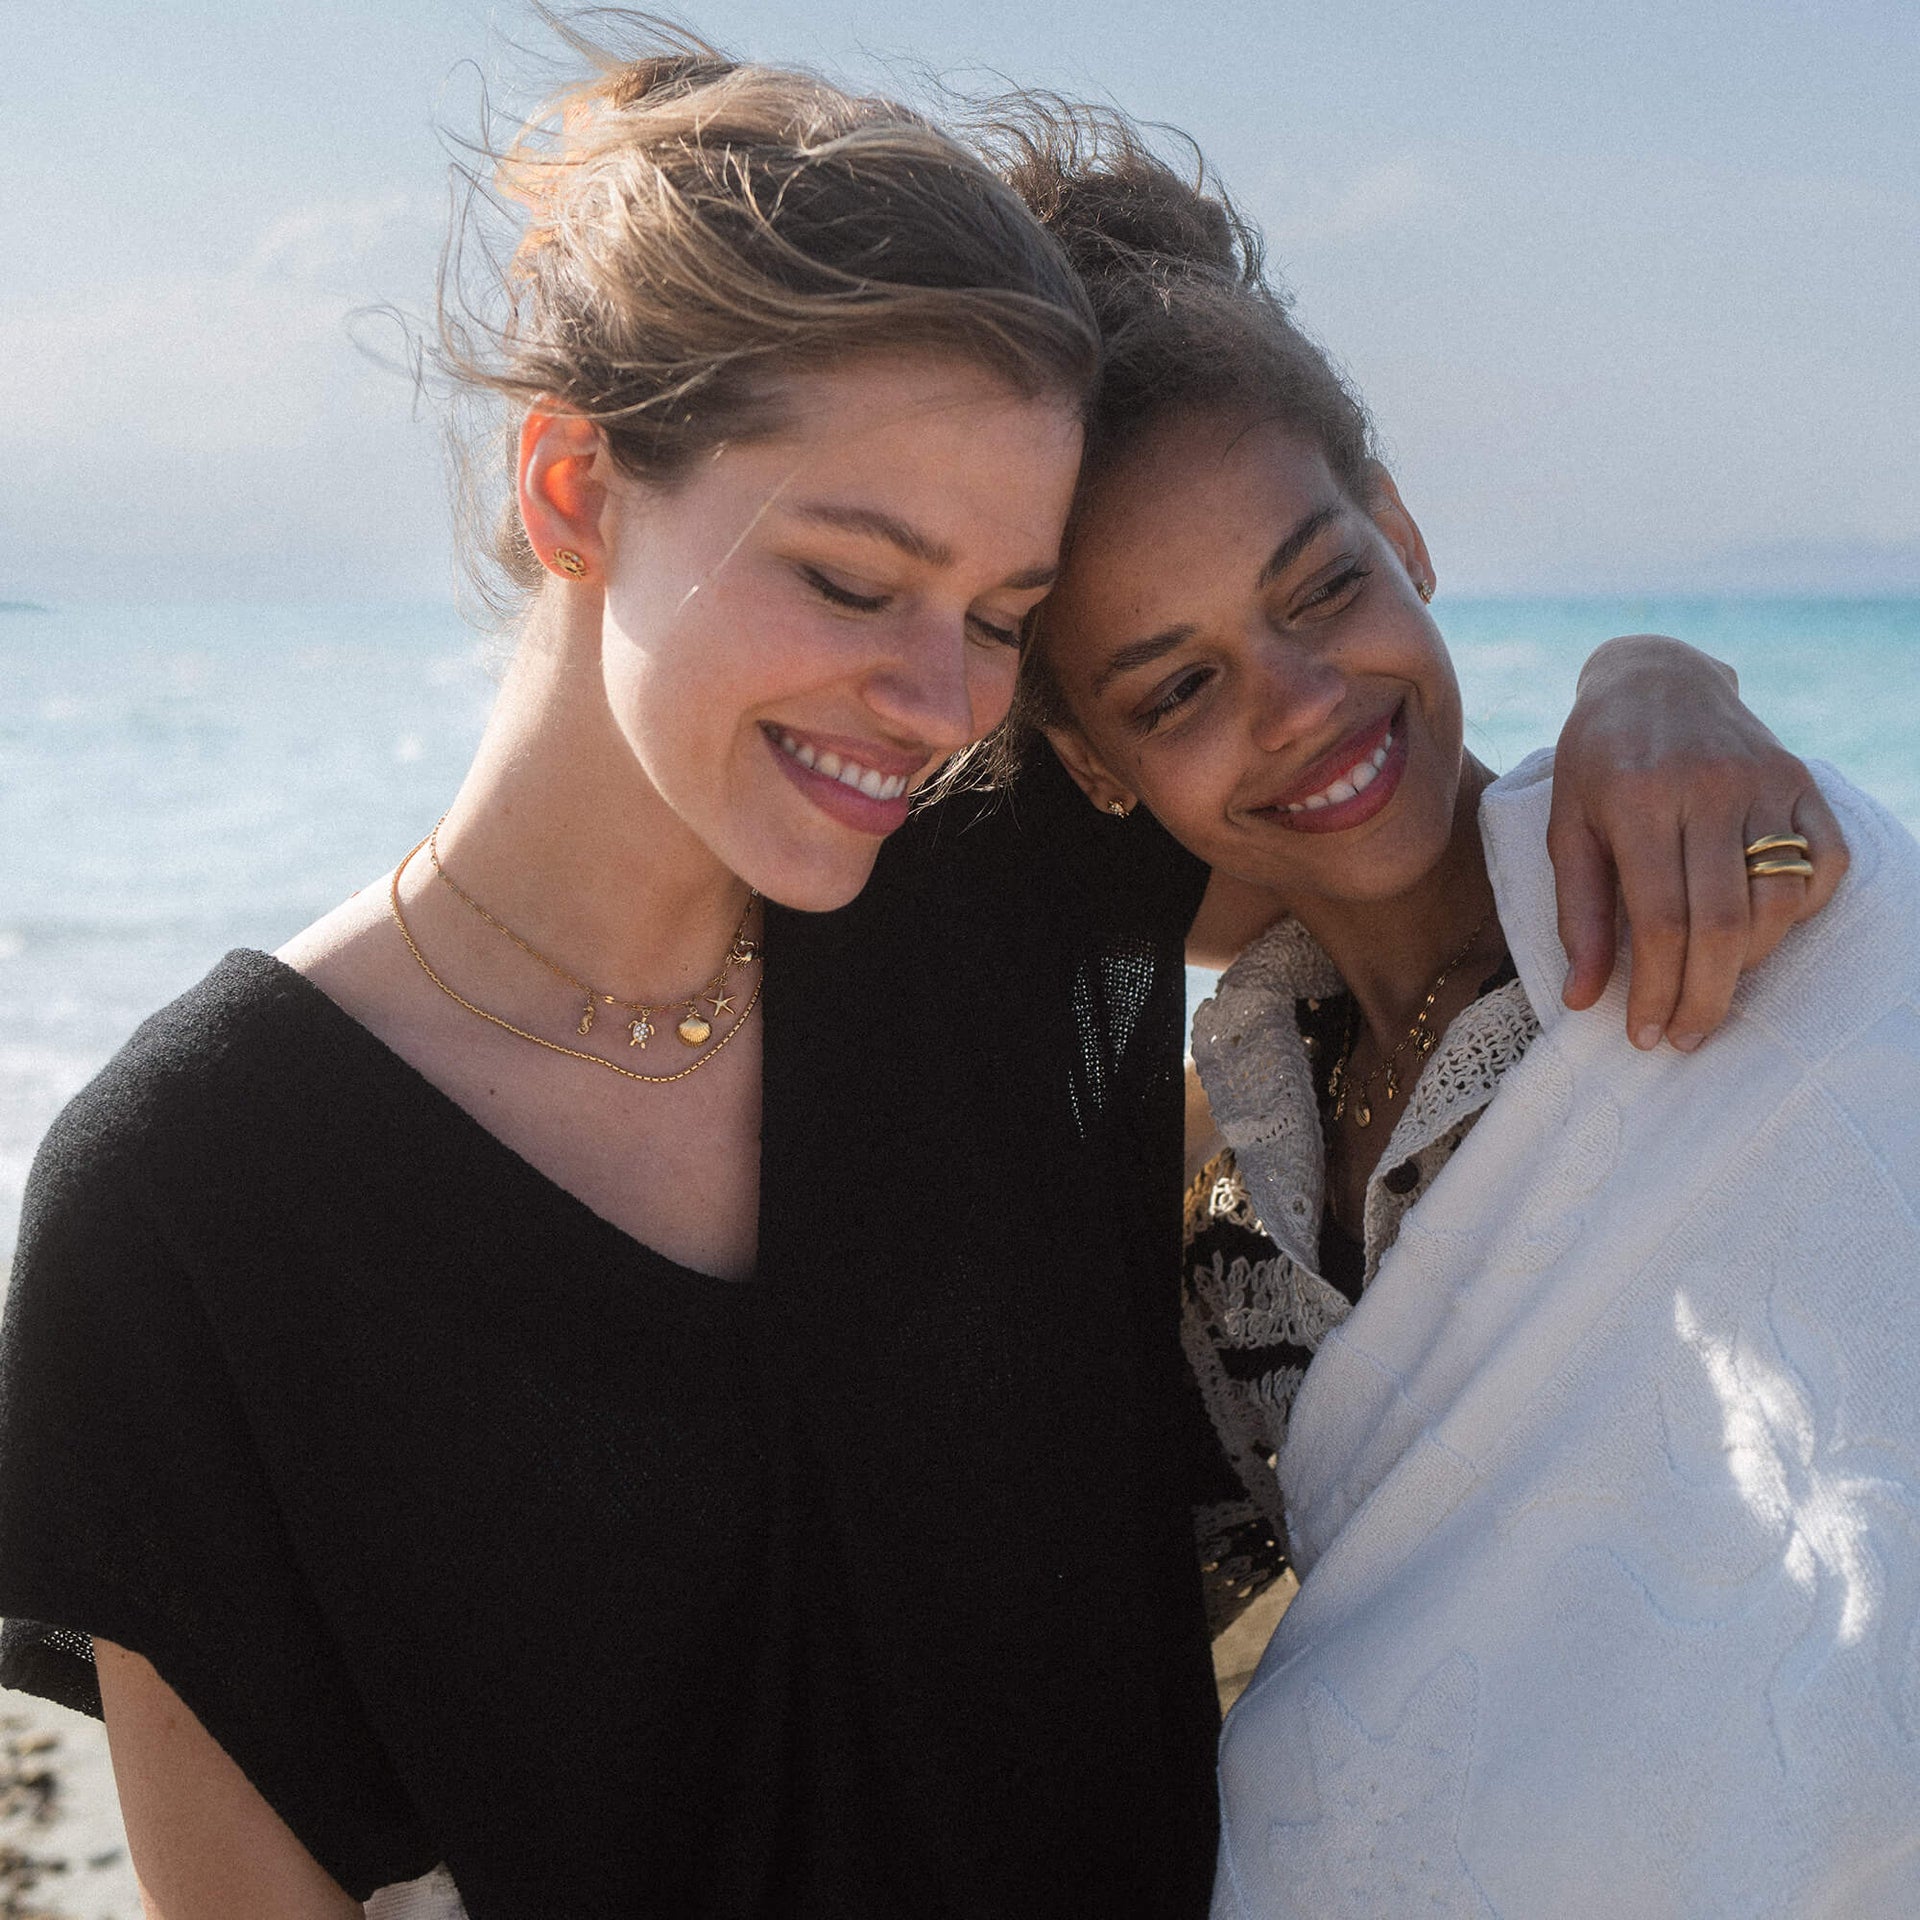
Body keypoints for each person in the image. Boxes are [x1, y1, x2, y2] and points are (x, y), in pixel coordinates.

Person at [0, 23, 1847, 1919]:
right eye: (852, 579)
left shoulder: (1004, 890)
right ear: (570, 489)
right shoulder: (186, 1211)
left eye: (1002, 617)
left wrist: (1655, 686)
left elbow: (1415, 852)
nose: (940, 702)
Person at [1014, 108, 1919, 1918]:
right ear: (1094, 763)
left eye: (1323, 585)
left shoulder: (1730, 856)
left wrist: (1661, 670)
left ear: (1404, 527)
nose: (1299, 702)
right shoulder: (1222, 1203)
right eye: (1179, 689)